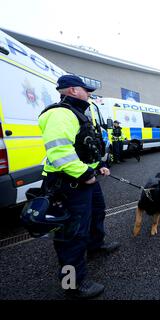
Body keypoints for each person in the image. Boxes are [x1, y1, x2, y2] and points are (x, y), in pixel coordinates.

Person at [38, 75, 120, 299]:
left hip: (85, 179)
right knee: (71, 235)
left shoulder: (78, 113)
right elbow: (59, 151)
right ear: (73, 90)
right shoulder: (59, 114)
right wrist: (84, 174)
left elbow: (86, 146)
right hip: (69, 184)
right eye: (87, 90)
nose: (90, 94)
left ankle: (95, 245)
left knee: (96, 213)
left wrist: (99, 164)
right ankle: (72, 285)